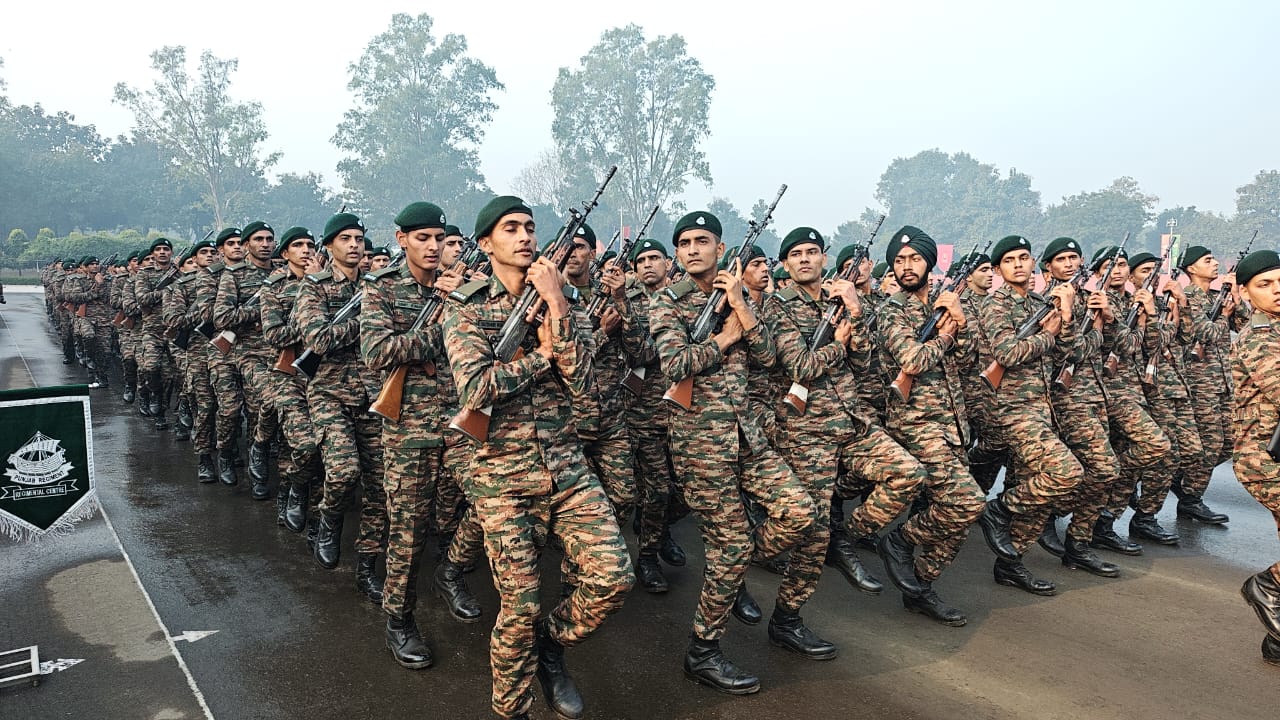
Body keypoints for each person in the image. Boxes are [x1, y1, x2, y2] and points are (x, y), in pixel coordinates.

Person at [443, 196, 633, 720]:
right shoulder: (466, 306)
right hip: (498, 471)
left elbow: (583, 383)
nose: (525, 236)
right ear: (486, 244)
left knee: (613, 578)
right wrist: (540, 356)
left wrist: (557, 306)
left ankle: (552, 645)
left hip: (565, 464)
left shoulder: (562, 298)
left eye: (530, 227)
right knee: (520, 607)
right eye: (510, 229)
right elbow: (476, 388)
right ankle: (513, 710)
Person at [648, 210, 815, 696]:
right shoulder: (666, 303)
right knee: (732, 546)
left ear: (722, 250)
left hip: (748, 436)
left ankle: (734, 564)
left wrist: (742, 308)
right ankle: (703, 650)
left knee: (799, 512)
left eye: (703, 241)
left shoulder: (738, 298)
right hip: (702, 444)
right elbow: (675, 363)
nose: (693, 249)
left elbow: (768, 361)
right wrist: (724, 336)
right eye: (684, 243)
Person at [361, 202, 485, 670]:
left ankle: (451, 571)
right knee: (409, 532)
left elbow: (488, 341)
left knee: (488, 507)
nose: (433, 247)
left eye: (439, 238)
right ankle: (399, 619)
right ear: (402, 240)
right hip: (409, 430)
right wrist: (441, 327)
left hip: (462, 422)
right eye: (422, 238)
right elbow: (376, 351)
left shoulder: (469, 286)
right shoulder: (383, 290)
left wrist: (460, 302)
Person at [874, 226, 986, 623]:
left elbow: (973, 359)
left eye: (914, 259)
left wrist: (960, 322)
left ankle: (920, 586)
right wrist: (945, 336)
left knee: (955, 518)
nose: (906, 266)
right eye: (899, 260)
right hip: (916, 425)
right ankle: (901, 541)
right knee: (968, 501)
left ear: (929, 263)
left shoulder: (946, 303)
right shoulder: (891, 310)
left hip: (953, 424)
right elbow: (913, 362)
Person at [976, 235, 1083, 596]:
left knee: (1039, 497)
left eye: (1024, 257)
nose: (1019, 264)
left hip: (1041, 406)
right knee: (1066, 472)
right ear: (998, 270)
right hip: (1013, 410)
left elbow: (1067, 353)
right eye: (1009, 260)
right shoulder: (995, 305)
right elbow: (1006, 353)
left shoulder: (1042, 302)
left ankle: (1011, 565)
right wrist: (1047, 336)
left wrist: (1065, 319)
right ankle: (999, 509)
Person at [294, 213, 388, 603]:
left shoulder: (376, 286)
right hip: (329, 393)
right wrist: (366, 320)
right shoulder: (313, 289)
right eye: (345, 238)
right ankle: (329, 515)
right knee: (345, 471)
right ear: (329, 246)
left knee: (382, 487)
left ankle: (368, 566)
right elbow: (317, 338)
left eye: (359, 238)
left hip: (370, 396)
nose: (354, 244)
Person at [1231, 249, 1280, 667]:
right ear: (1245, 292)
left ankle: (1277, 641)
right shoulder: (1259, 337)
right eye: (1265, 284)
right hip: (1263, 459)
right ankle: (1266, 585)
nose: (1277, 290)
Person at [1178, 245, 1247, 523]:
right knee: (1211, 441)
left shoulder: (1221, 297)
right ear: (1192, 268)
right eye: (1208, 260)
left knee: (1230, 442)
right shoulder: (1187, 298)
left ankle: (1183, 478)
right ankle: (1191, 498)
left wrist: (1237, 298)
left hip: (1223, 380)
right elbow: (1202, 333)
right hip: (1199, 381)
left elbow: (1244, 325)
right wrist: (1223, 315)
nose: (1215, 263)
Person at [213, 221, 280, 499]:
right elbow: (222, 318)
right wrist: (261, 311)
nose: (265, 244)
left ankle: (258, 462)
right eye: (258, 239)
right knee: (232, 410)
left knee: (260, 410)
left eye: (269, 239)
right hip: (246, 352)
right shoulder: (235, 276)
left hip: (277, 350)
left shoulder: (282, 274)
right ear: (247, 245)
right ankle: (226, 452)